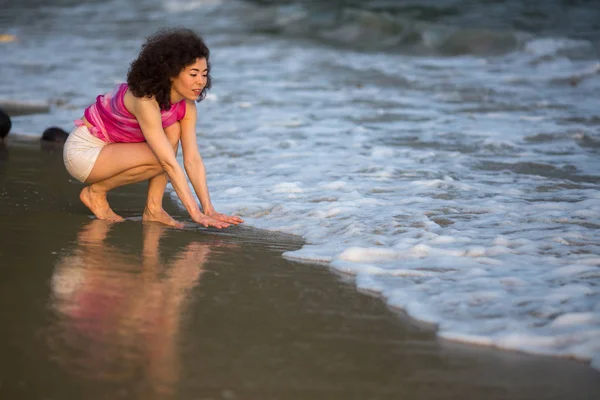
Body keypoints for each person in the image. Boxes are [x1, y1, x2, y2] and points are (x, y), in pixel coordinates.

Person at [63, 28, 243, 229]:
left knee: (172, 131)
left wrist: (209, 209)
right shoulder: (145, 101)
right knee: (163, 155)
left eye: (204, 74)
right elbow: (168, 162)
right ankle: (95, 193)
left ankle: (154, 208)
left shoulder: (187, 106)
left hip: (114, 151)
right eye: (193, 74)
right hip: (85, 153)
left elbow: (192, 159)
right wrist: (195, 214)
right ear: (170, 74)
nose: (200, 81)